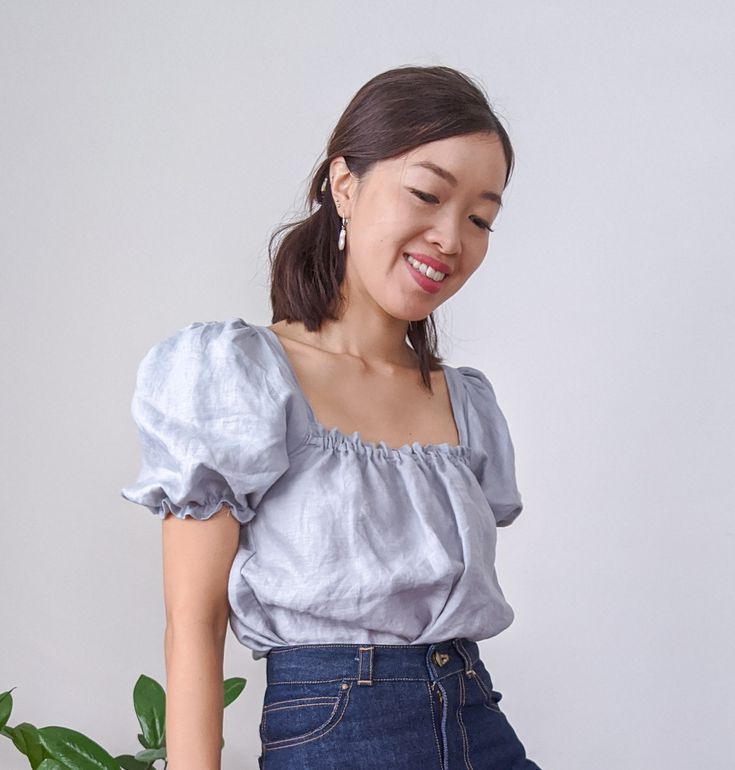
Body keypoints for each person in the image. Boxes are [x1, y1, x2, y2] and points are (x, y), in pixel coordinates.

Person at [120, 64, 541, 770]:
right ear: (344, 184)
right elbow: (193, 626)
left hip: (477, 725)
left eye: (478, 218)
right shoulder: (240, 376)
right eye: (426, 194)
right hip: (340, 736)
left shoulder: (464, 403)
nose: (449, 237)